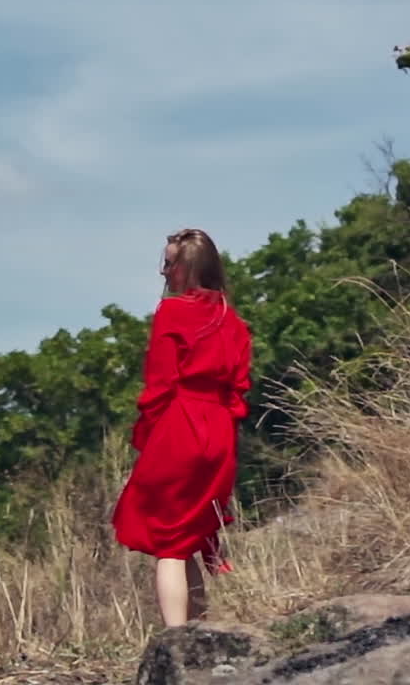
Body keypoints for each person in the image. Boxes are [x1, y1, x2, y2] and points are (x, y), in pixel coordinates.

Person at [112, 227, 253, 627]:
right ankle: (200, 636)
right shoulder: (234, 322)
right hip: (220, 430)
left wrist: (149, 439)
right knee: (188, 538)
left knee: (169, 545)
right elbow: (238, 391)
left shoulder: (172, 313)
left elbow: (159, 385)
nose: (163, 272)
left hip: (181, 424)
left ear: (186, 269)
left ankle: (176, 645)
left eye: (168, 263)